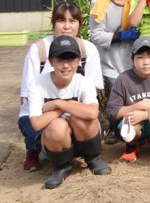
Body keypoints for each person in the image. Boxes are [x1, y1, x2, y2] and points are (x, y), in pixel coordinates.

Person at [19, 2, 104, 171]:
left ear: (80, 24)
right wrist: (57, 112)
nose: (66, 26)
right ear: (53, 24)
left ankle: (86, 154)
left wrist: (62, 106)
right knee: (50, 130)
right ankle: (33, 150)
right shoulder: (40, 49)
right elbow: (28, 96)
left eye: (72, 21)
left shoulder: (88, 49)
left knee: (80, 124)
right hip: (40, 109)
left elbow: (92, 91)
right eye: (61, 21)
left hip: (73, 108)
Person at [28, 36, 111, 189]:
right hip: (57, 142)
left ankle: (93, 158)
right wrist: (68, 107)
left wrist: (59, 104)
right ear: (51, 61)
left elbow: (92, 113)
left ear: (78, 60)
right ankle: (61, 166)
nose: (66, 66)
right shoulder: (37, 84)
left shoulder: (83, 82)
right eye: (60, 60)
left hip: (83, 136)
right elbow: (36, 123)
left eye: (71, 59)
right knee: (56, 126)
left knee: (80, 119)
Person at [88, 0, 143, 144]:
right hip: (110, 62)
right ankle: (113, 128)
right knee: (116, 98)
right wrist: (120, 36)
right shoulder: (99, 3)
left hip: (133, 60)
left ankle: (135, 133)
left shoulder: (137, 0)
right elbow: (95, 35)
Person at [106, 37, 150, 162]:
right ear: (133, 60)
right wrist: (136, 106)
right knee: (130, 124)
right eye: (140, 57)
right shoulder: (123, 79)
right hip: (134, 121)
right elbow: (111, 112)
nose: (146, 62)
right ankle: (132, 145)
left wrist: (146, 114)